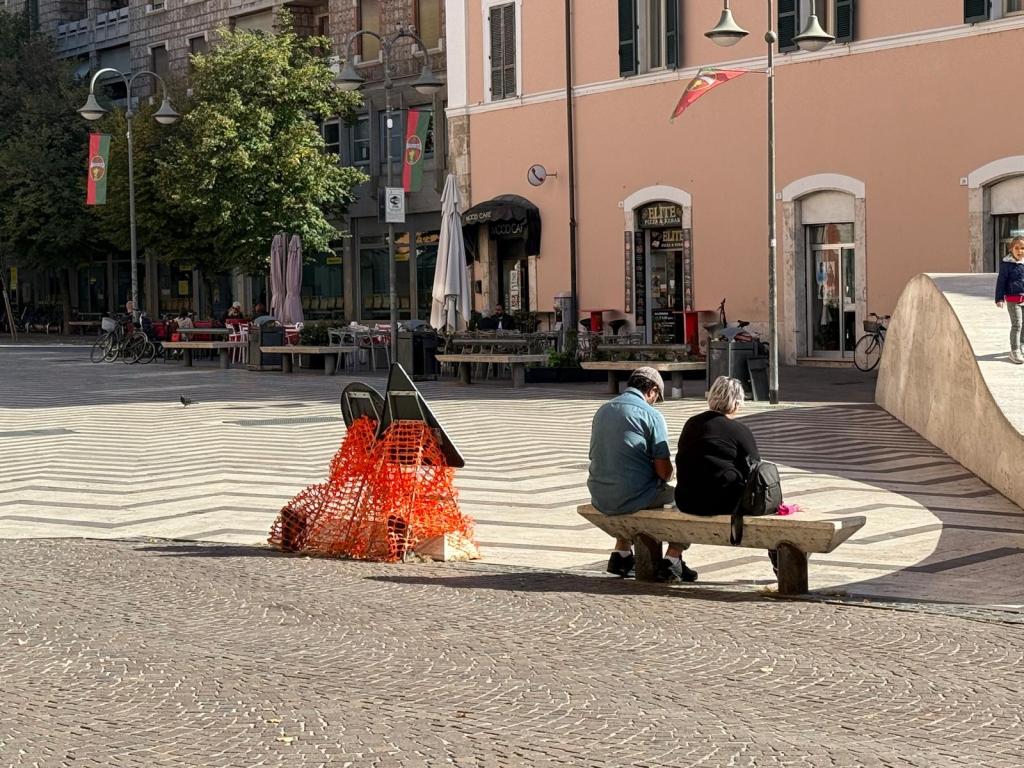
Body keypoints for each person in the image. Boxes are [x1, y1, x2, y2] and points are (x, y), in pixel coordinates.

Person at [588, 367, 698, 583]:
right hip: (631, 495)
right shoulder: (651, 415)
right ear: (652, 390)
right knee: (687, 500)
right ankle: (673, 558)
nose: (655, 402)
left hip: (599, 492)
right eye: (657, 397)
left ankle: (621, 554)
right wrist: (670, 474)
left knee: (628, 484)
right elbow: (663, 472)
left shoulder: (603, 409)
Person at [995, 236, 1024, 364]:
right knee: (1017, 324)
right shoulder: (1006, 265)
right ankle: (1014, 350)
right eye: (1016, 248)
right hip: (1013, 300)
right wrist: (999, 298)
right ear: (1011, 249)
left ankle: (1021, 345)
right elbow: (1001, 282)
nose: (1020, 251)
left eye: (1023, 248)